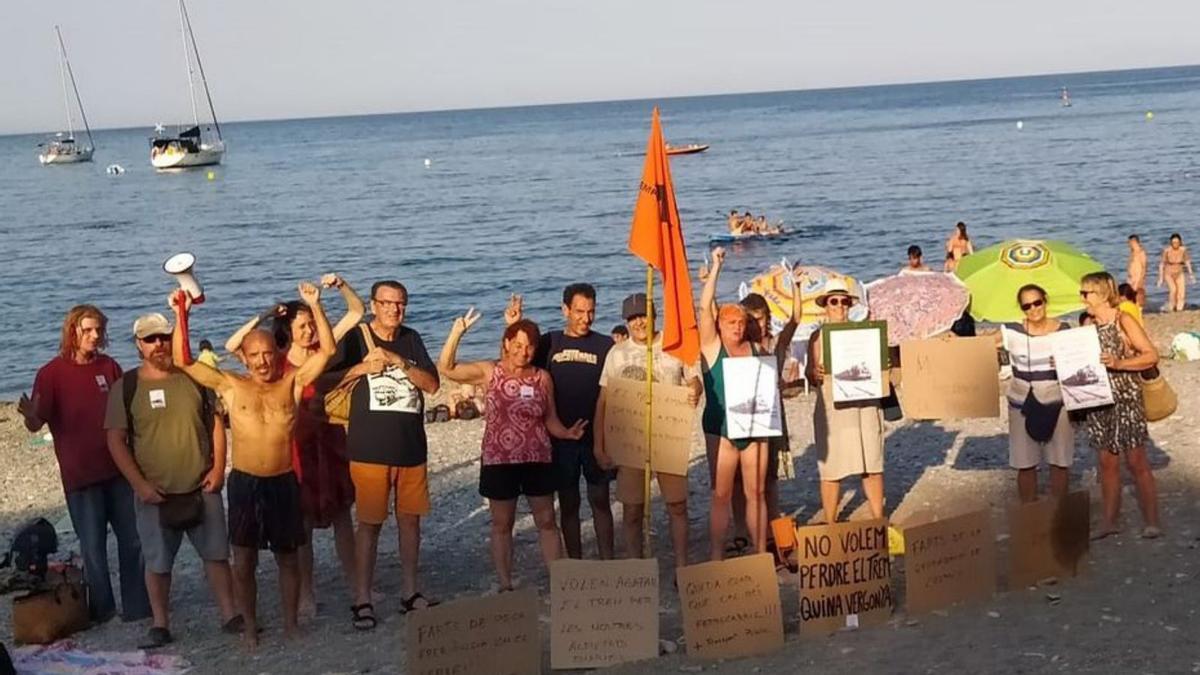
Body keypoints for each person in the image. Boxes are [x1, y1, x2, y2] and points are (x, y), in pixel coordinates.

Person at [170, 281, 336, 647]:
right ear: (244, 358)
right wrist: (181, 313)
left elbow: (327, 350)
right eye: (255, 355)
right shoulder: (231, 386)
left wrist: (316, 305)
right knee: (244, 562)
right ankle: (249, 628)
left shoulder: (291, 383)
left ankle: (291, 624)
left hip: (282, 480)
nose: (263, 360)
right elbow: (182, 360)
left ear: (276, 354)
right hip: (246, 482)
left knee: (287, 558)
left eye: (268, 354)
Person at [226, 273, 364, 619]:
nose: (309, 331)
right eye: (302, 326)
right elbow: (233, 347)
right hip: (295, 445)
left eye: (310, 325)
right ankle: (306, 592)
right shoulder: (277, 359)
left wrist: (330, 295)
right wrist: (266, 313)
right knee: (301, 523)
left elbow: (356, 312)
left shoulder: (322, 352)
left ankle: (355, 584)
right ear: (288, 329)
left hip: (327, 439)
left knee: (341, 515)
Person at [104, 313, 239, 648]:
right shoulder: (127, 386)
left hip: (201, 485)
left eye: (164, 337)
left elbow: (216, 424)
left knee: (217, 555)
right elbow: (115, 440)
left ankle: (230, 614)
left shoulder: (194, 377)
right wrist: (140, 486)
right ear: (138, 345)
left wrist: (218, 468)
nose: (159, 344)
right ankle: (161, 623)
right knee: (158, 562)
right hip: (155, 492)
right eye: (150, 339)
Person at [18, 306, 150, 624]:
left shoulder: (110, 367)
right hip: (81, 476)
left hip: (119, 470)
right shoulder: (51, 373)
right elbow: (37, 423)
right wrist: (29, 414)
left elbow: (130, 414)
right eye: (88, 330)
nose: (94, 336)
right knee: (93, 548)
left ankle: (137, 607)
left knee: (133, 540)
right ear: (72, 332)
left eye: (98, 330)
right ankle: (103, 610)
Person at [437, 310, 585, 590]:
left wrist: (566, 433)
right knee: (502, 524)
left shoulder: (542, 378)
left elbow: (550, 418)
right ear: (506, 344)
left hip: (537, 457)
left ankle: (559, 581)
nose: (523, 351)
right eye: (517, 345)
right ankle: (505, 583)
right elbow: (446, 368)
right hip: (499, 459)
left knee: (546, 521)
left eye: (529, 346)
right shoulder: (489, 371)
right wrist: (457, 333)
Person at [331, 280, 439, 629]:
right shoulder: (356, 337)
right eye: (388, 303)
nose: (395, 309)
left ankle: (410, 592)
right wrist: (363, 368)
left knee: (410, 521)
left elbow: (432, 384)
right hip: (369, 449)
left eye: (401, 304)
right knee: (370, 525)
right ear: (374, 304)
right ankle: (362, 598)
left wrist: (396, 360)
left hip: (411, 448)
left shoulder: (411, 338)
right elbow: (323, 380)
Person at [593, 293, 702, 569]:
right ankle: (635, 566)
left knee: (677, 506)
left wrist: (694, 390)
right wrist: (599, 444)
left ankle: (682, 565)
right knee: (631, 510)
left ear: (654, 314)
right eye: (632, 318)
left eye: (642, 315)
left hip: (668, 437)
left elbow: (694, 379)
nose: (638, 322)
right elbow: (604, 401)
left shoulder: (674, 344)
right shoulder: (616, 354)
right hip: (631, 440)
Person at [508, 285, 616, 560]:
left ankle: (608, 562)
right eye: (579, 311)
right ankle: (576, 564)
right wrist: (514, 325)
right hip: (559, 439)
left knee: (601, 501)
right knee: (568, 504)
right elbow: (516, 364)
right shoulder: (549, 342)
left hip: (597, 437)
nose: (586, 318)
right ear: (565, 309)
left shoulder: (605, 346)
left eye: (591, 312)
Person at [698, 247, 769, 560]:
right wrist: (716, 267)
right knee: (721, 494)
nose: (737, 327)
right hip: (720, 428)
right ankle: (715, 555)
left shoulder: (755, 348)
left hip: (753, 427)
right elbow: (703, 307)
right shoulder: (713, 348)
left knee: (756, 492)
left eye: (741, 322)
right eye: (730, 323)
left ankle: (761, 551)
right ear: (720, 324)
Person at [1079, 272, 1161, 538]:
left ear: (1102, 294)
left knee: (1136, 460)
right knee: (1106, 463)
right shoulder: (1088, 326)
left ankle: (1151, 521)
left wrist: (1120, 363)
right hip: (1098, 401)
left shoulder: (1123, 320)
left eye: (1086, 293)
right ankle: (1108, 522)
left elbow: (1151, 355)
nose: (1082, 298)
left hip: (1126, 399)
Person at [806, 280, 885, 523]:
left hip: (864, 403)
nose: (840, 306)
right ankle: (831, 521)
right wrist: (814, 373)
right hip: (833, 407)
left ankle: (879, 517)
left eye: (844, 301)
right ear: (825, 306)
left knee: (872, 461)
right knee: (832, 467)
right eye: (834, 301)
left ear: (850, 305)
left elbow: (881, 364)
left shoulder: (862, 333)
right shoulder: (817, 337)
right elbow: (809, 372)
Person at [732, 286, 802, 560]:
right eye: (751, 320)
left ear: (767, 319)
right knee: (744, 479)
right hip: (745, 418)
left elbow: (795, 320)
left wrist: (794, 287)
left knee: (769, 479)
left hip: (771, 417)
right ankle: (744, 532)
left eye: (760, 319)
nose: (756, 325)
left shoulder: (775, 345)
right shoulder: (736, 348)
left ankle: (773, 531)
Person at [996, 285, 1074, 503]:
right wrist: (951, 341)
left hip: (1056, 402)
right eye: (1026, 305)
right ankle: (1029, 515)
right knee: (1024, 463)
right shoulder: (1010, 331)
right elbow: (979, 347)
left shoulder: (1065, 330)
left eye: (1037, 302)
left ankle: (1058, 513)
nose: (1033, 309)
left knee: (1059, 461)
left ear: (1045, 301)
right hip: (1021, 403)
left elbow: (1079, 362)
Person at [1157, 233, 1195, 312]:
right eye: (1173, 242)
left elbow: (1187, 262)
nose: (1175, 244)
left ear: (1180, 242)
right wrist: (1160, 279)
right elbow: (1161, 264)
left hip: (1179, 272)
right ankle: (1171, 306)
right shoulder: (1167, 251)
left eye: (1177, 242)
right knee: (1173, 290)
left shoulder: (1183, 250)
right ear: (1171, 243)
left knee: (1181, 293)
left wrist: (1191, 275)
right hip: (1168, 273)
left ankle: (1179, 309)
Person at [1127, 235, 1148, 307]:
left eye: (1130, 242)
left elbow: (1144, 266)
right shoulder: (1132, 252)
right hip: (1131, 277)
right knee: (1129, 293)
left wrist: (1141, 279)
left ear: (1135, 242)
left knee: (1137, 294)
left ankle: (1138, 308)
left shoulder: (1141, 252)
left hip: (1138, 276)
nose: (1129, 244)